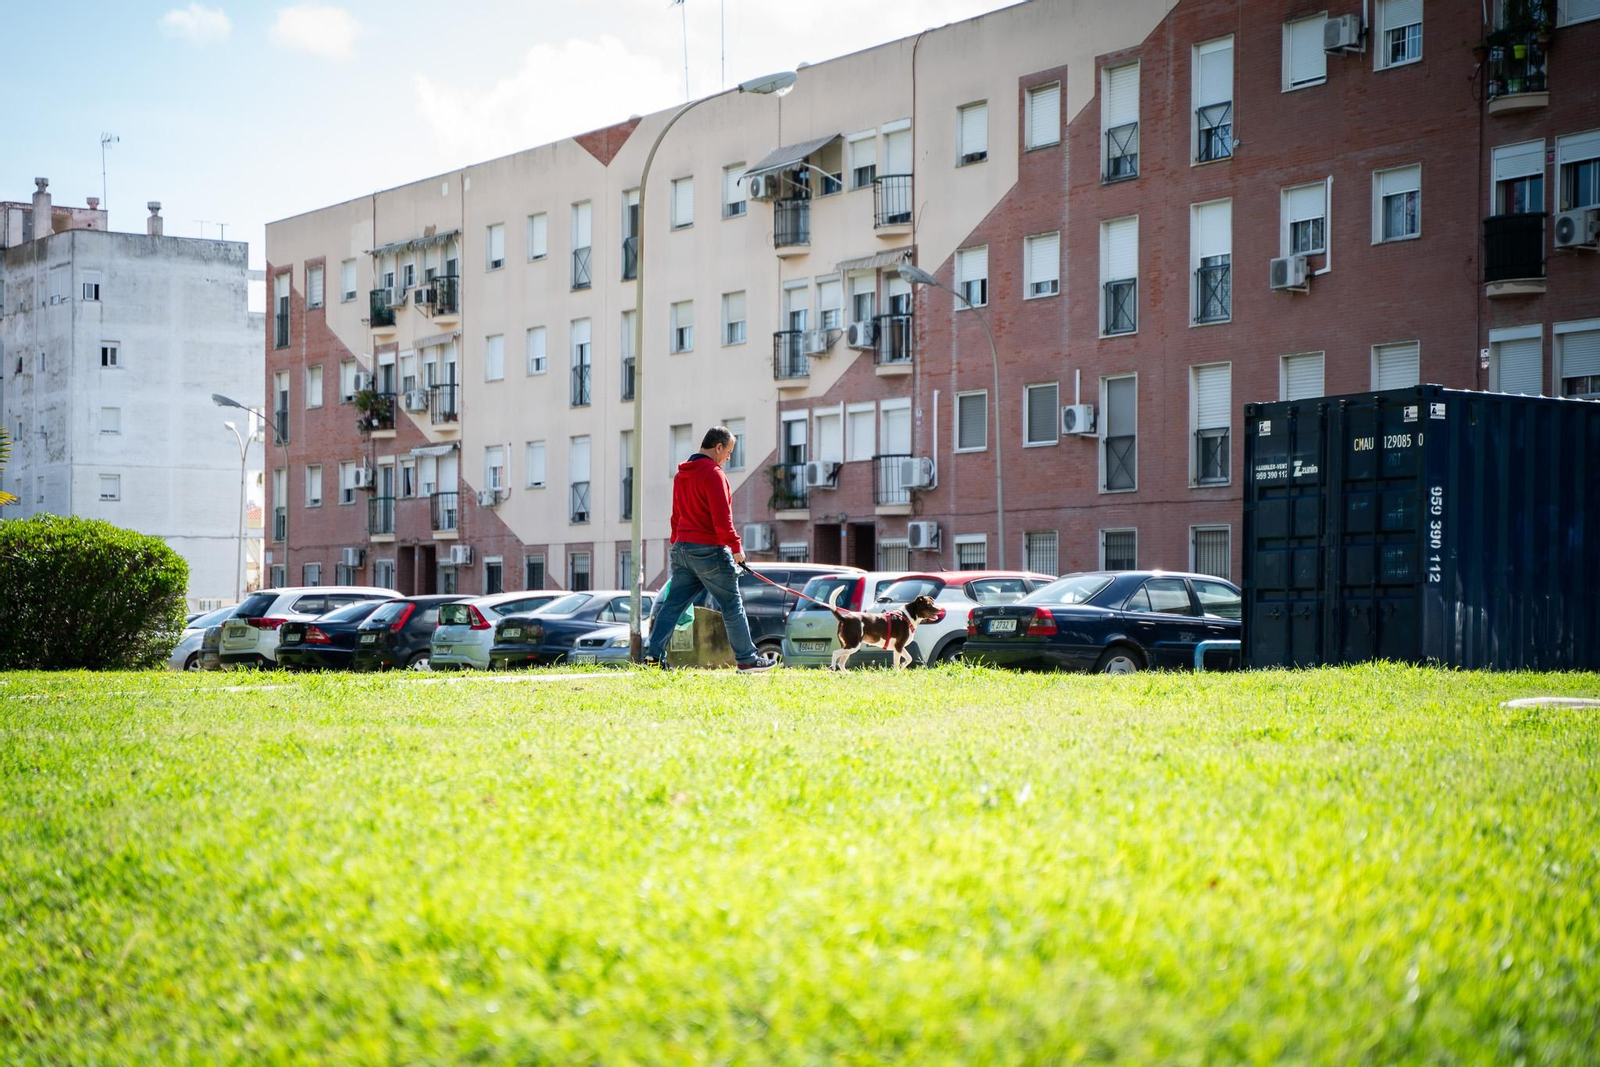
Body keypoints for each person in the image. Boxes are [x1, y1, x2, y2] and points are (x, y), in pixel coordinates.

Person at [644, 426, 776, 672]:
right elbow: (722, 519)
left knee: (673, 605)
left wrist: (678, 543)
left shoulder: (682, 474)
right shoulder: (714, 474)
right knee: (731, 603)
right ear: (718, 447)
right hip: (709, 549)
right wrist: (736, 548)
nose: (728, 458)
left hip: (682, 548)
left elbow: (676, 516)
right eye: (729, 452)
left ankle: (653, 658)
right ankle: (747, 659)